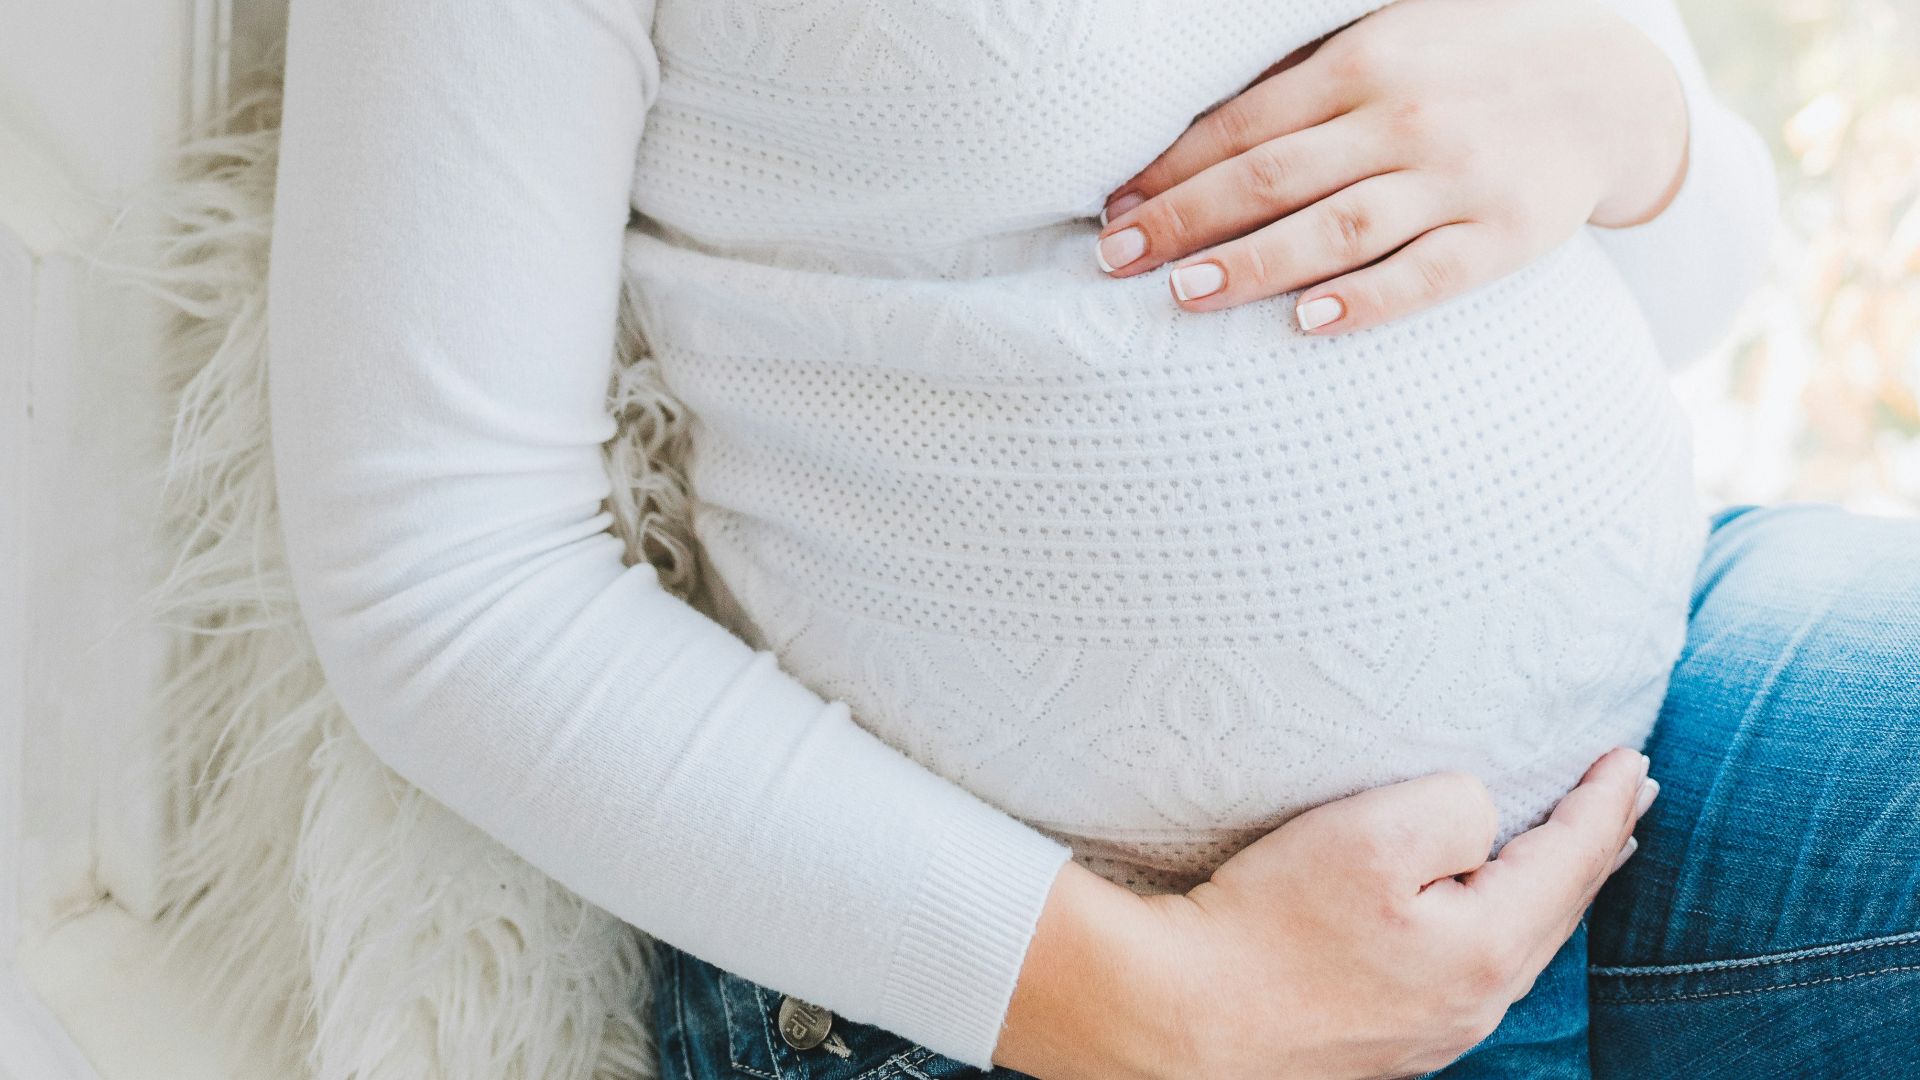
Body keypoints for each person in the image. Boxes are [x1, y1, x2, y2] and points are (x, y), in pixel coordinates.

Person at [263, 0, 1918, 1077]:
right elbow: (442, 580)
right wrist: (1162, 1005)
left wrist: (1632, 113)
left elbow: (1686, 284)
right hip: (1049, 975)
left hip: (1653, 716)